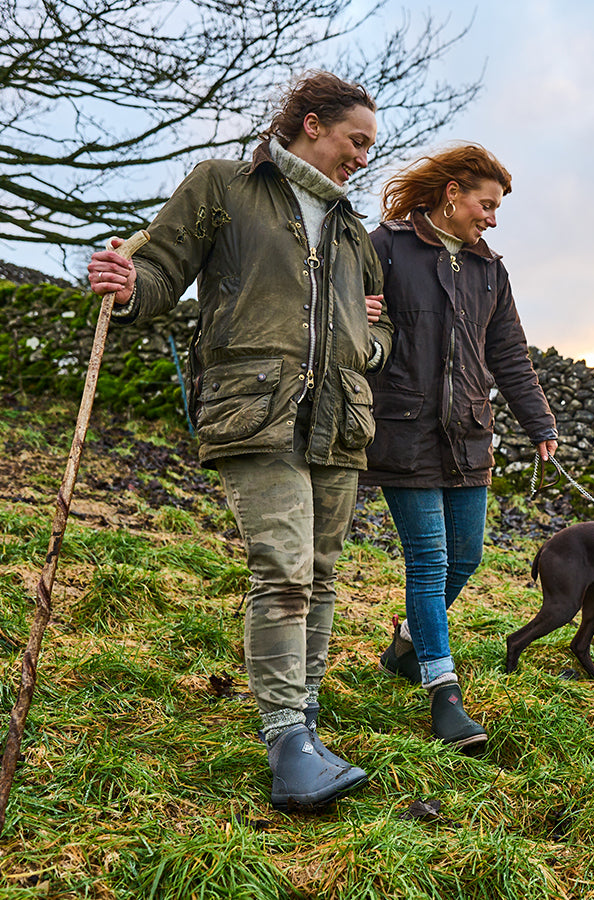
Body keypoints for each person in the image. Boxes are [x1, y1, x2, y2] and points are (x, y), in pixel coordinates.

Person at [86, 70, 392, 811]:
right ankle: (287, 738)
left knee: (320, 573)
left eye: (369, 148)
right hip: (254, 409)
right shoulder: (222, 185)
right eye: (356, 141)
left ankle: (309, 725)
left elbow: (377, 322)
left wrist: (369, 343)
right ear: (312, 123)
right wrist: (128, 287)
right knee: (283, 566)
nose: (362, 158)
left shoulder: (351, 229)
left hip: (340, 417)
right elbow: (161, 270)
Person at [361, 144, 558, 751]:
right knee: (428, 560)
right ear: (452, 193)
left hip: (470, 434)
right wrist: (357, 311)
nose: (492, 218)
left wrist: (539, 422)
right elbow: (337, 315)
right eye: (486, 204)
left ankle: (407, 640)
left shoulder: (490, 271)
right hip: (403, 430)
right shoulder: (385, 246)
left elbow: (509, 356)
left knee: (466, 557)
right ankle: (443, 692)